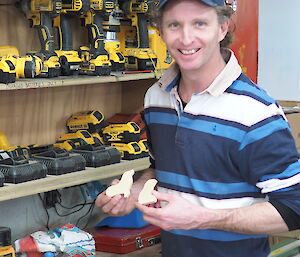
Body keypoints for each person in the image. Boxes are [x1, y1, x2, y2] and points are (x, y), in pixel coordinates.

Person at [96, 0, 300, 256]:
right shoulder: (156, 98)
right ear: (160, 31)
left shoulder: (255, 111)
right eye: (174, 25)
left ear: (222, 28)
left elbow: (295, 207)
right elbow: (162, 169)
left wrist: (202, 218)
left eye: (199, 23)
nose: (186, 38)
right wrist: (134, 193)